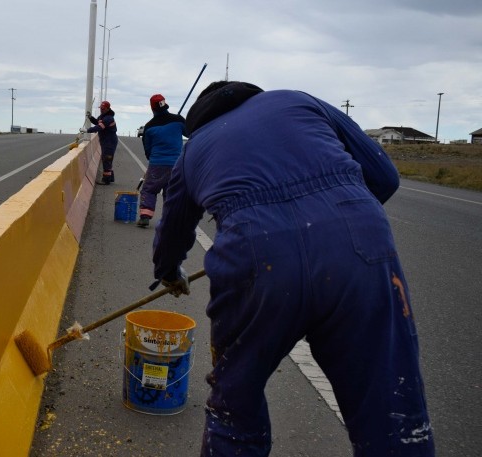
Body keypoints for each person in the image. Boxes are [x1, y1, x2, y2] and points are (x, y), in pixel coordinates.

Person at [151, 81, 434, 456]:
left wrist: (170, 272)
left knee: (236, 403)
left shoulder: (194, 150)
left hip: (255, 258)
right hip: (358, 246)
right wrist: (336, 215)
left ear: (199, 123)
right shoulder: (297, 101)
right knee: (390, 407)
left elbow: (172, 229)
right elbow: (384, 177)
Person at [137, 94, 186, 228]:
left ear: (152, 108)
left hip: (157, 164)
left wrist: (151, 159)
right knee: (171, 192)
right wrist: (180, 122)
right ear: (165, 104)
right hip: (177, 164)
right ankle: (170, 219)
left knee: (149, 189)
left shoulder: (149, 126)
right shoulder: (178, 120)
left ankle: (145, 217)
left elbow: (147, 148)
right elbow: (190, 132)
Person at [87, 101, 118, 184]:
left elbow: (99, 127)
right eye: (100, 108)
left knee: (107, 159)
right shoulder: (102, 116)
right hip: (105, 141)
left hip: (109, 141)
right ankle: (110, 178)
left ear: (108, 109)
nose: (101, 110)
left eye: (103, 109)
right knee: (107, 158)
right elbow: (97, 122)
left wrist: (87, 130)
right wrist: (90, 117)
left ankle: (106, 180)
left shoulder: (108, 118)